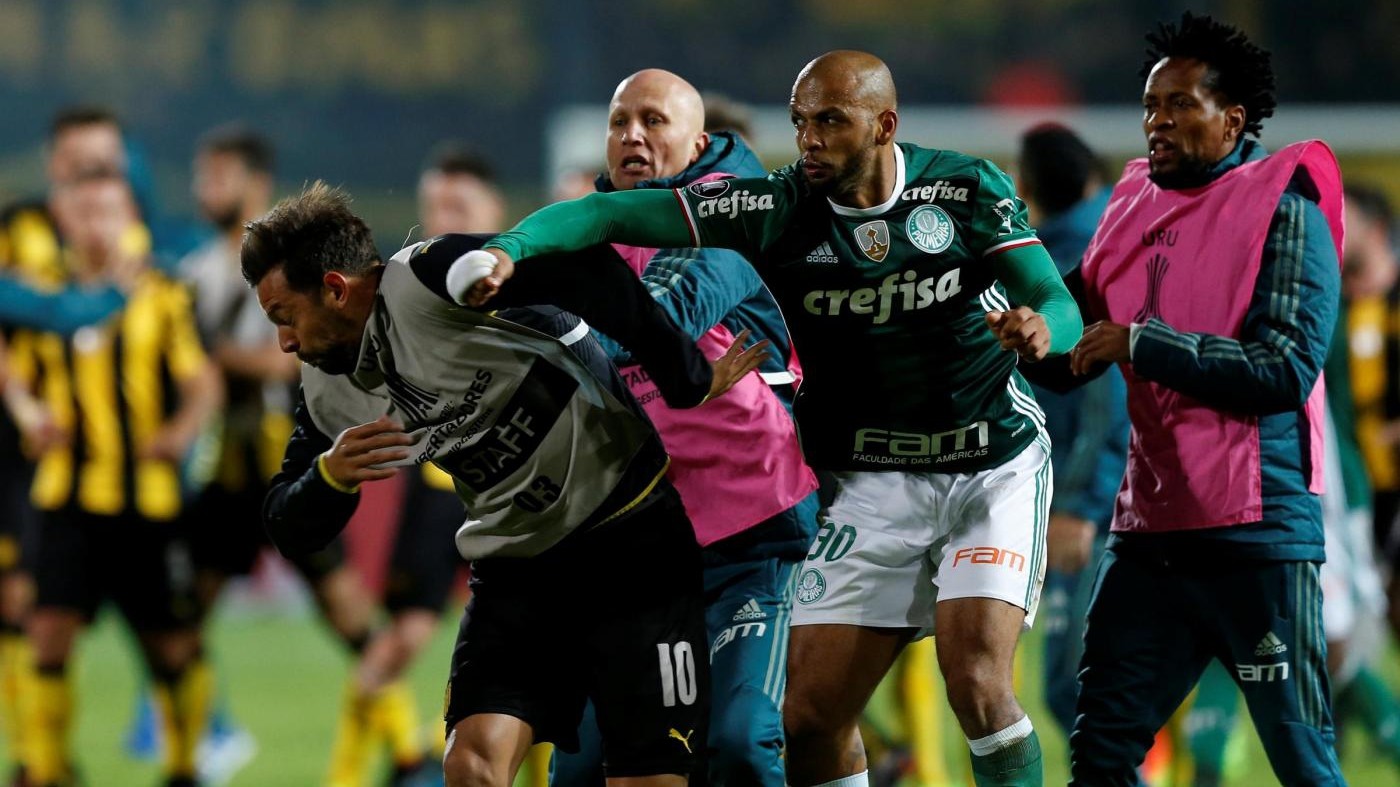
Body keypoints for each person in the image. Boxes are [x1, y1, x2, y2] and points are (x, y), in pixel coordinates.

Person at [467, 49, 1083, 787]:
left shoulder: (962, 189)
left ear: (884, 125)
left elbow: (1057, 300)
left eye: (830, 120)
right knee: (809, 720)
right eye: (800, 122)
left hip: (988, 462)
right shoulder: (772, 209)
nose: (809, 139)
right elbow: (602, 211)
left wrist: (1044, 330)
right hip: (870, 476)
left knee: (976, 679)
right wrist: (507, 250)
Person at [242, 182, 769, 786]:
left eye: (285, 317)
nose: (284, 341)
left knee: (648, 779)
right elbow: (286, 523)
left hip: (630, 541)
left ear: (335, 290)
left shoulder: (427, 279)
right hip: (516, 569)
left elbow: (584, 264)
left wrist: (681, 376)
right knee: (470, 769)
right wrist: (329, 477)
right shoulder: (326, 389)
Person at [1054, 13, 1347, 785]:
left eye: (1181, 104)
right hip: (1151, 533)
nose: (1158, 121)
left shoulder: (1286, 210)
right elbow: (1079, 348)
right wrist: (1034, 342)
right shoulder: (1127, 206)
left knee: (1302, 763)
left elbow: (1284, 367)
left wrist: (1141, 343)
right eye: (1152, 105)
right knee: (1102, 755)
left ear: (1233, 118)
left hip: (1256, 537)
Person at [549, 69, 818, 787]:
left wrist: (564, 334)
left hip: (752, 538)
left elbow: (664, 317)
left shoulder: (733, 220)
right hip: (640, 547)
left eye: (653, 121)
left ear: (698, 142)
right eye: (618, 122)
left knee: (739, 743)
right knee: (578, 763)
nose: (632, 135)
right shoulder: (587, 235)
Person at [5, 172, 222, 787]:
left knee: (172, 647)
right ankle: (46, 770)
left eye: (109, 210)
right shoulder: (38, 295)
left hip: (146, 503)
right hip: (64, 498)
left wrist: (181, 431)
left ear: (130, 217)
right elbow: (16, 376)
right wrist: (31, 414)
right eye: (84, 210)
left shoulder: (163, 291)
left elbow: (202, 382)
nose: (97, 223)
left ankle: (184, 767)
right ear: (64, 220)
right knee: (45, 633)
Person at [1013, 123, 1128, 743]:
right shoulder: (1079, 247)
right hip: (1097, 494)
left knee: (1075, 688)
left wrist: (1080, 506)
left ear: (1023, 187)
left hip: (1094, 505)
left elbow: (1108, 394)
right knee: (1082, 689)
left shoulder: (1077, 266)